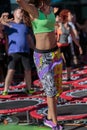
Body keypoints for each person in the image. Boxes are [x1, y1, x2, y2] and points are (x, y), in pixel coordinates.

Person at [16, 0, 63, 130]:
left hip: (55, 55)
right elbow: (19, 1)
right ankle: (55, 123)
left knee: (56, 90)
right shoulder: (34, 11)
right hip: (42, 57)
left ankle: (48, 118)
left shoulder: (52, 9)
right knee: (51, 91)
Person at [1, 7, 35, 95]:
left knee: (28, 70)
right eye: (20, 12)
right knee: (11, 70)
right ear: (15, 14)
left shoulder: (25, 25)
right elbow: (1, 30)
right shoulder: (9, 25)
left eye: (22, 13)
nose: (22, 14)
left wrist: (35, 49)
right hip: (13, 52)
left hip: (25, 51)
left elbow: (29, 39)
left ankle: (28, 88)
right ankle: (5, 89)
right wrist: (2, 18)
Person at [56, 9, 82, 81]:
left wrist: (79, 46)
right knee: (59, 63)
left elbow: (73, 37)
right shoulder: (59, 25)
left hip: (67, 45)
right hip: (59, 46)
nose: (72, 16)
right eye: (70, 15)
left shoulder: (70, 27)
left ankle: (68, 77)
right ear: (66, 16)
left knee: (68, 61)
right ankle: (58, 78)